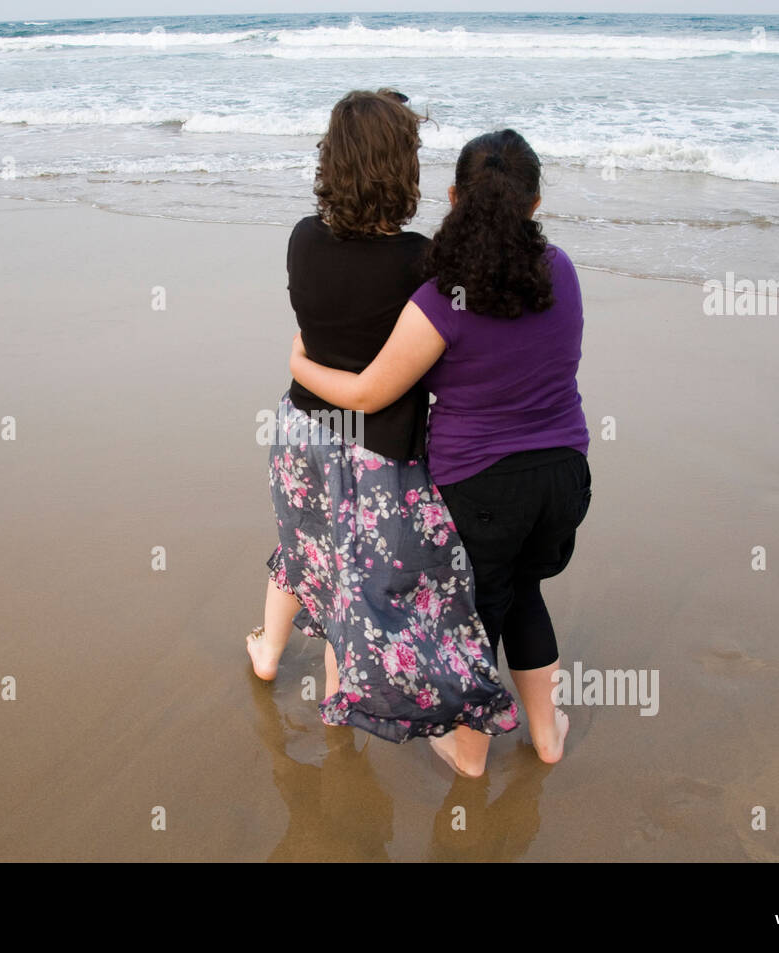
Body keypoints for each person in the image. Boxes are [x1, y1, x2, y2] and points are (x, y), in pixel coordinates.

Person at [290, 129, 590, 764]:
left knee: (474, 617)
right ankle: (547, 735)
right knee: (526, 591)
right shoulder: (559, 268)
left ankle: (470, 755)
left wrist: (302, 366)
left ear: (453, 196)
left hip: (483, 487)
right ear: (535, 203)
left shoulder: (441, 299)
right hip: (564, 476)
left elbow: (370, 393)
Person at [247, 90, 518, 776]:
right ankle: (387, 702)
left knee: (304, 545)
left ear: (331, 164)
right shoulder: (419, 261)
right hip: (377, 451)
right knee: (392, 584)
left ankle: (269, 652)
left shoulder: (302, 238)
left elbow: (310, 330)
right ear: (404, 172)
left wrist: (303, 361)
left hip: (301, 426)